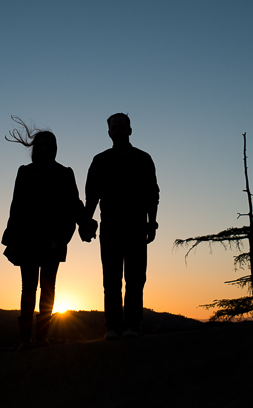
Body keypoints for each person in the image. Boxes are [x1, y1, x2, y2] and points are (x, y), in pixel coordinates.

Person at [1, 117, 95, 350]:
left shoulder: (64, 173)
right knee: (28, 287)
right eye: (39, 145)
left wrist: (86, 223)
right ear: (35, 149)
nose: (42, 149)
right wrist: (11, 237)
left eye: (46, 145)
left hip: (54, 238)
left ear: (53, 148)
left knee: (49, 287)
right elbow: (16, 206)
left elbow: (74, 203)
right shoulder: (24, 173)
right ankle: (25, 339)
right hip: (27, 238)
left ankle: (42, 337)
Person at [82, 113, 159, 339]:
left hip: (136, 228)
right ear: (109, 133)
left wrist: (151, 223)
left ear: (130, 130)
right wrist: (87, 224)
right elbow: (92, 196)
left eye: (121, 126)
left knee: (135, 279)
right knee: (112, 280)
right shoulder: (100, 161)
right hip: (110, 230)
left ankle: (132, 326)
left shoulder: (143, 159)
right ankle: (113, 327)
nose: (117, 130)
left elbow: (152, 194)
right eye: (114, 127)